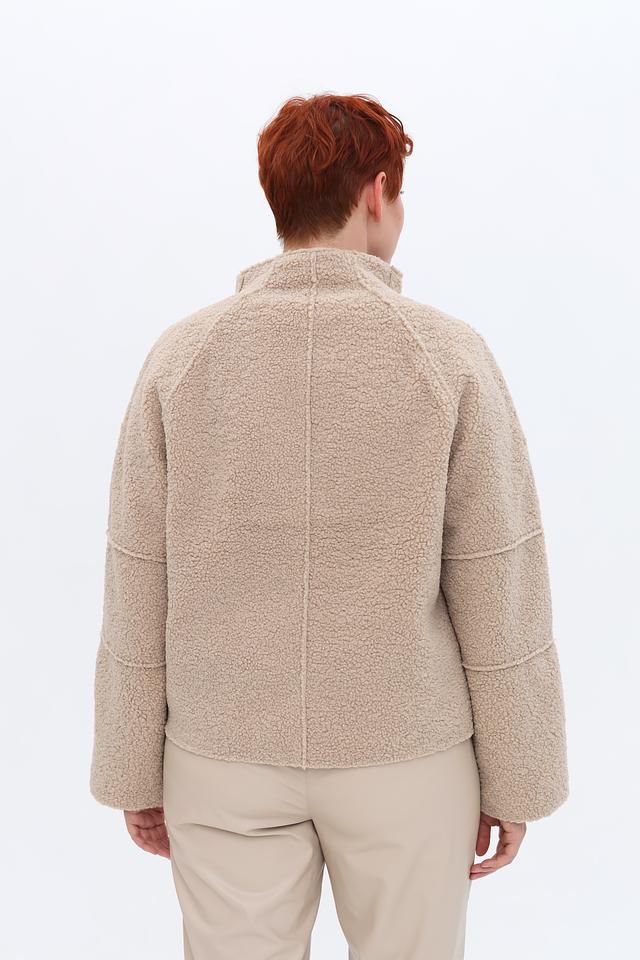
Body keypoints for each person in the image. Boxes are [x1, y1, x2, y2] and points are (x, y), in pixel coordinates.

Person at [89, 92, 569, 959]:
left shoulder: (182, 357)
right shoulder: (447, 355)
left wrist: (131, 765)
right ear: (378, 192)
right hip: (406, 753)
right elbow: (499, 577)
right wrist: (517, 776)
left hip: (222, 753)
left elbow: (138, 574)